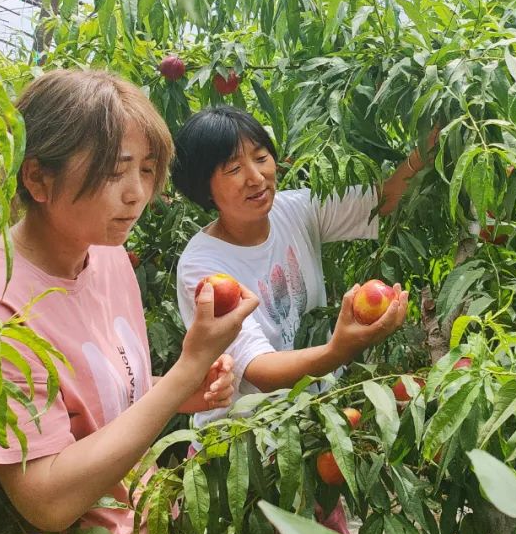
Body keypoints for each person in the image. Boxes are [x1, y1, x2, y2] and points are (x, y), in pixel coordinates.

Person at [0, 70, 259, 534]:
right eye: (115, 172)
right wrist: (188, 367)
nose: (137, 192)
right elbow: (45, 499)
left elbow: (97, 404)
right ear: (37, 178)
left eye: (147, 168)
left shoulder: (107, 254)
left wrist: (177, 391)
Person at [171, 105, 426, 421]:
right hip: (248, 442)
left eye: (262, 158)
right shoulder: (204, 268)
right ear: (203, 188)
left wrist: (435, 140)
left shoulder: (295, 210)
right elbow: (259, 369)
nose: (256, 177)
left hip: (316, 416)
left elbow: (386, 198)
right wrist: (339, 350)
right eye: (233, 169)